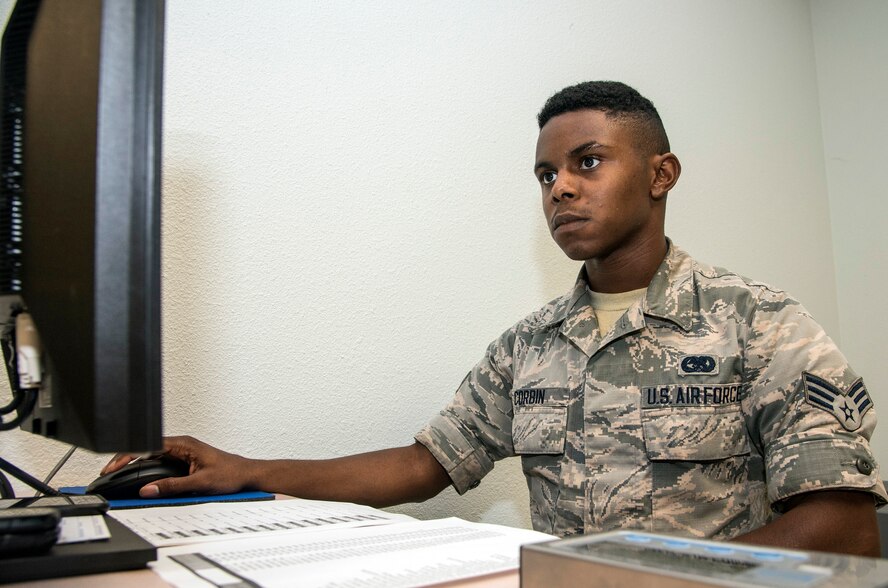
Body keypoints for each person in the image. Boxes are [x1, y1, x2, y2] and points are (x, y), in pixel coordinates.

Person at [103, 81, 886, 556]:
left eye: (587, 161)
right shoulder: (530, 346)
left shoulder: (760, 324)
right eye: (546, 173)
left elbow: (844, 531)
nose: (560, 189)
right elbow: (421, 466)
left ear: (660, 174)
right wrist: (246, 470)